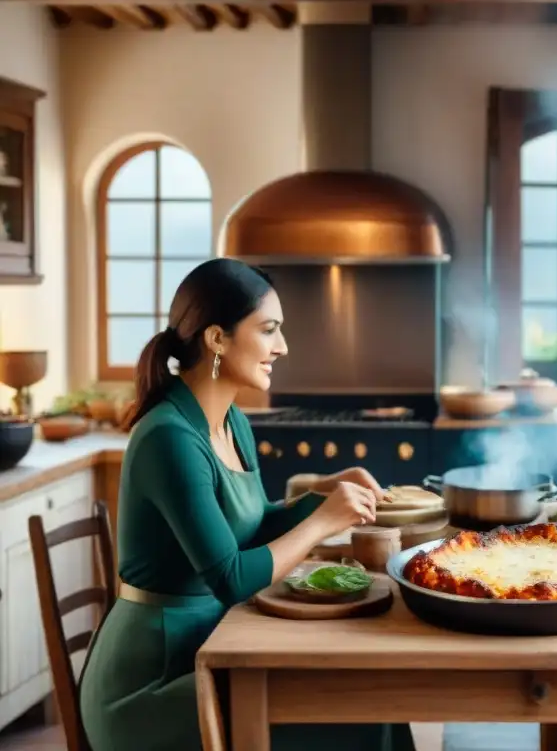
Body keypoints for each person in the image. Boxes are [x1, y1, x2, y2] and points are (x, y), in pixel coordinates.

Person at [79, 258, 416, 751]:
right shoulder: (168, 438)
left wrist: (321, 495)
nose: (282, 347)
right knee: (358, 718)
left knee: (374, 705)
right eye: (268, 330)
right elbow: (231, 576)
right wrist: (323, 521)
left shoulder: (232, 421)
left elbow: (255, 528)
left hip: (211, 645)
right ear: (217, 338)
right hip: (151, 685)